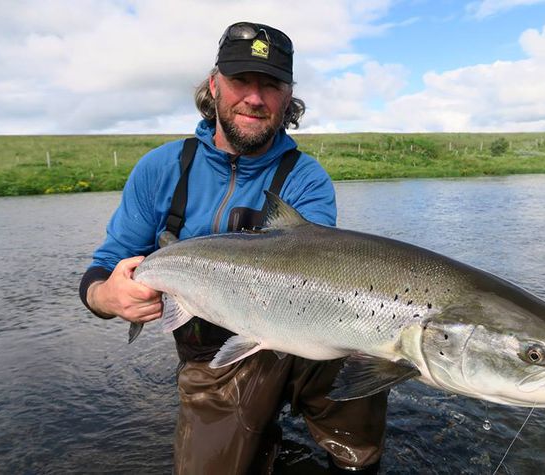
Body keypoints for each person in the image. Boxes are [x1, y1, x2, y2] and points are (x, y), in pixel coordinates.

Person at [79, 22, 387, 474]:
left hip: (299, 337)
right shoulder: (161, 169)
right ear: (213, 85)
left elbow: (314, 276)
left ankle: (355, 461)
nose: (255, 98)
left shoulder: (306, 178)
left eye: (271, 85)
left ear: (288, 96)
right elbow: (103, 269)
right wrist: (107, 297)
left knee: (363, 351)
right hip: (212, 357)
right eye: (241, 80)